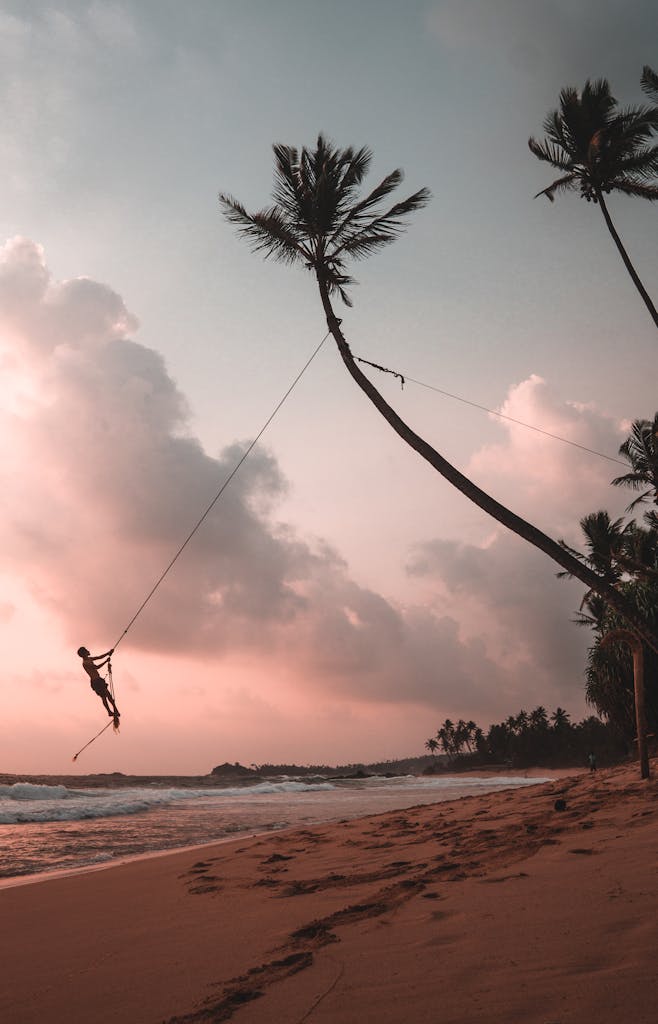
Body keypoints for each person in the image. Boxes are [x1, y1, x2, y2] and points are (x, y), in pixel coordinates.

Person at [77, 646, 120, 718]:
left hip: (98, 680)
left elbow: (99, 657)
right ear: (84, 653)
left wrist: (108, 653)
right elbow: (96, 667)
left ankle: (112, 711)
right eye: (86, 650)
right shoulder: (86, 662)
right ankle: (112, 711)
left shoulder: (89, 659)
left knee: (105, 696)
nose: (88, 650)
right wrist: (106, 661)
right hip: (96, 682)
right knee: (107, 696)